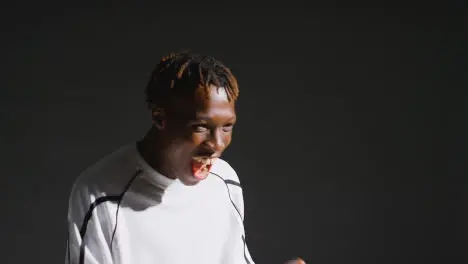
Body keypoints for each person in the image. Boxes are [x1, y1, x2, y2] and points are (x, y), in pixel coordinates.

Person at [65, 51, 304, 264]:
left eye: (227, 126)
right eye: (200, 127)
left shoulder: (225, 181)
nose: (217, 145)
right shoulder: (99, 193)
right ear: (160, 118)